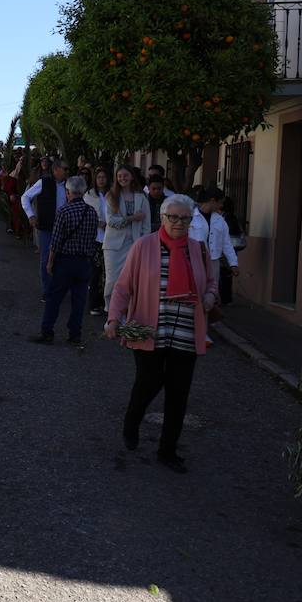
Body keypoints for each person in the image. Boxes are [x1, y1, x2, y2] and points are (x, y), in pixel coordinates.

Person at [105, 194, 218, 473]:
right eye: (174, 217)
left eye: (185, 218)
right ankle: (133, 421)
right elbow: (123, 287)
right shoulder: (144, 247)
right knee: (149, 383)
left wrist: (210, 296)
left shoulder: (198, 249)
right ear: (163, 218)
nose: (179, 223)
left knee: (178, 393)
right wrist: (113, 318)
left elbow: (212, 282)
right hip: (150, 329)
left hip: (186, 332)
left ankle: (168, 450)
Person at [32, 175, 99, 346]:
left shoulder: (63, 211)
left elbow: (56, 241)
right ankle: (75, 334)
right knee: (79, 300)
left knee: (54, 298)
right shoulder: (92, 212)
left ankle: (47, 331)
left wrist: (50, 261)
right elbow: (93, 237)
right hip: (84, 261)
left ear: (69, 192)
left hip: (66, 261)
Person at [102, 165, 152, 302]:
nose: (122, 178)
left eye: (125, 175)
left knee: (132, 279)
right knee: (113, 280)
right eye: (119, 176)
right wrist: (132, 218)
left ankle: (128, 311)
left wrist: (143, 244)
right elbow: (111, 221)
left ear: (131, 177)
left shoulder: (142, 197)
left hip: (135, 244)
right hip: (114, 245)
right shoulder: (111, 195)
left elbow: (146, 226)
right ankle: (111, 309)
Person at [21, 157, 68, 298]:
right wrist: (31, 215)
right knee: (46, 258)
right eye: (64, 169)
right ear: (56, 170)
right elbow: (25, 197)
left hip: (65, 227)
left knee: (63, 259)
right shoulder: (44, 183)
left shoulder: (69, 184)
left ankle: (59, 288)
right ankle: (48, 290)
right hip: (47, 226)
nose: (67, 172)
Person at [189, 187, 239, 309]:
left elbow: (227, 244)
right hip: (195, 260)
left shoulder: (220, 221)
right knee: (195, 288)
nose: (221, 206)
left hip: (213, 261)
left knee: (211, 291)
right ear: (212, 201)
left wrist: (233, 263)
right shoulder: (191, 217)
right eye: (220, 202)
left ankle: (209, 318)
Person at [85, 166, 110, 315]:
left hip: (110, 237)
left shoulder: (113, 194)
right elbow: (87, 214)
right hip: (95, 237)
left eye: (104, 177)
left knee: (108, 273)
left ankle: (105, 303)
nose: (101, 180)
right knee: (95, 272)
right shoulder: (89, 195)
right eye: (99, 177)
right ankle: (94, 303)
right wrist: (98, 222)